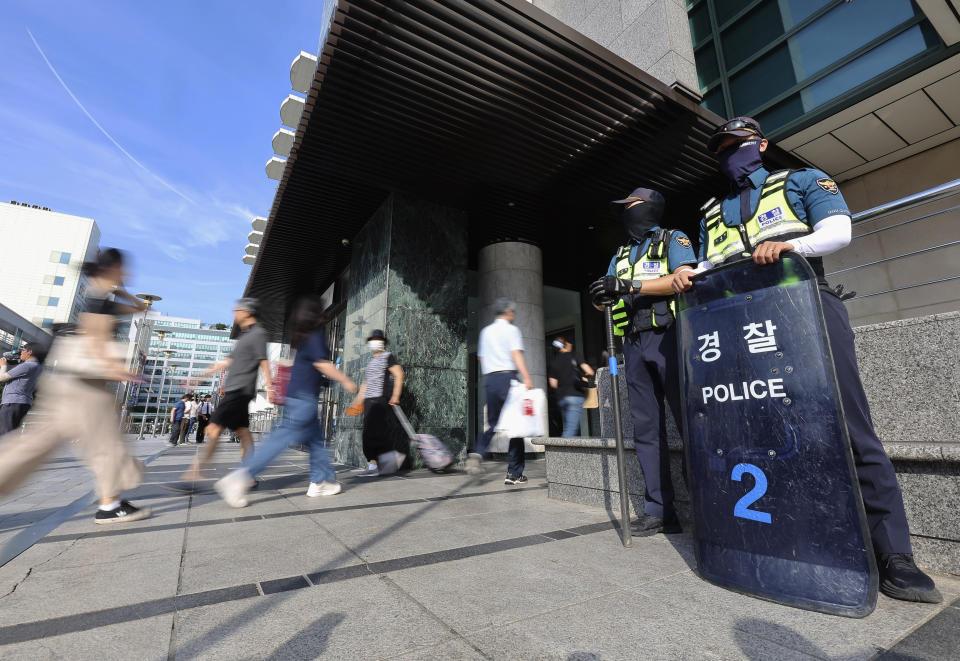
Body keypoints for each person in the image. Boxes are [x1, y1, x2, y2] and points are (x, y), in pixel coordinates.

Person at [671, 116, 940, 604]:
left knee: (848, 426)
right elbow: (715, 261)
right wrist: (693, 270)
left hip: (807, 309)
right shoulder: (713, 210)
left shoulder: (801, 181)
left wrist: (789, 245)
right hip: (740, 328)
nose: (731, 153)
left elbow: (838, 232)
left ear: (761, 144)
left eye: (738, 144)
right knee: (759, 429)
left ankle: (894, 555)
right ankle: (788, 536)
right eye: (722, 149)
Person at [0, 248, 151, 524]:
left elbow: (141, 308)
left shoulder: (103, 296)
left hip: (66, 385)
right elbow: (94, 338)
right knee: (108, 444)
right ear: (114, 268)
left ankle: (110, 502)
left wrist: (123, 289)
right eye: (123, 268)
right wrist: (116, 367)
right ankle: (110, 504)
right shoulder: (100, 300)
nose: (127, 273)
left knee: (33, 446)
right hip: (85, 387)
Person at [589, 188, 697, 536]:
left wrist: (630, 285)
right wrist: (600, 296)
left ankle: (707, 501)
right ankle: (659, 510)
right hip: (632, 344)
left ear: (649, 207)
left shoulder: (672, 238)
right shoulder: (620, 253)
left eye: (631, 206)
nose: (626, 213)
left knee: (690, 421)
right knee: (646, 429)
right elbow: (609, 293)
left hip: (671, 337)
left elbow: (684, 279)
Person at [215, 295, 357, 507]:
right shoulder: (315, 335)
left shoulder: (303, 337)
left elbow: (310, 368)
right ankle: (240, 477)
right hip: (303, 400)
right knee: (279, 440)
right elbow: (322, 364)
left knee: (317, 441)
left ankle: (320, 482)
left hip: (298, 397)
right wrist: (347, 381)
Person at [180, 298, 273, 484]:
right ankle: (250, 475)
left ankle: (195, 473)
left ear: (247, 312)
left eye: (237, 310)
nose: (234, 313)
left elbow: (263, 361)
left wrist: (270, 386)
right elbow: (226, 361)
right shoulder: (245, 336)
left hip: (239, 390)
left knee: (213, 429)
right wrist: (199, 377)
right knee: (244, 432)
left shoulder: (258, 334)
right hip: (236, 390)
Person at [471, 298, 535, 485]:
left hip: (490, 379)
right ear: (508, 312)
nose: (513, 315)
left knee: (492, 423)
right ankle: (514, 473)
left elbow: (481, 358)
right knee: (517, 427)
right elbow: (516, 354)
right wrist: (527, 378)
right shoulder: (512, 330)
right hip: (508, 379)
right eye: (512, 312)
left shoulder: (486, 332)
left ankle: (477, 452)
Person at [347, 329, 405, 476]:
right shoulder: (372, 360)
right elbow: (366, 383)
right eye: (373, 339)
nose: (375, 341)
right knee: (369, 433)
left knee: (375, 432)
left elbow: (399, 374)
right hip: (369, 401)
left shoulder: (388, 356)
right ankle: (380, 463)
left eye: (378, 339)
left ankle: (378, 464)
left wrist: (395, 395)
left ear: (383, 342)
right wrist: (358, 401)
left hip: (380, 399)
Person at [547, 336, 594, 437]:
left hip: (561, 398)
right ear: (566, 344)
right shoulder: (575, 355)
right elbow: (590, 371)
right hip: (574, 395)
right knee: (570, 430)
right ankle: (561, 452)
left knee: (570, 427)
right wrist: (584, 377)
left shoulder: (554, 362)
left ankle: (573, 451)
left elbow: (553, 384)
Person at [0, 344, 44, 435]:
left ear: (30, 352)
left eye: (23, 350)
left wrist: (3, 366)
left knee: (5, 433)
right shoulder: (38, 367)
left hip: (12, 402)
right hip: (23, 402)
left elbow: (2, 378)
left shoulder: (27, 365)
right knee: (13, 432)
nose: (21, 353)